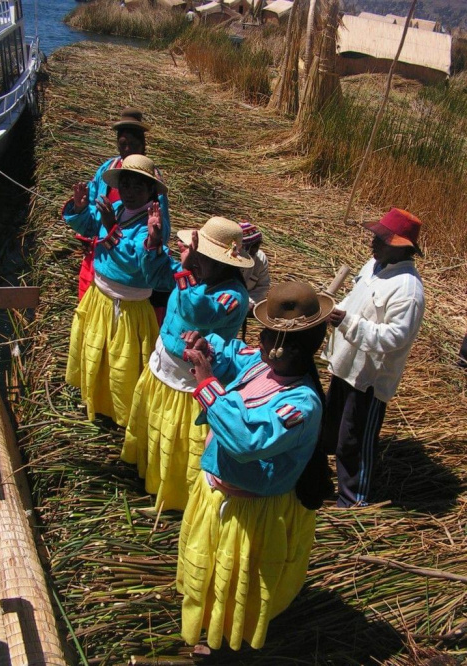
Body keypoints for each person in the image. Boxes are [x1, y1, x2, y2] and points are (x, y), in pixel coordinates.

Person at [177, 281, 335, 651]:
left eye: (265, 334)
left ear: (281, 348)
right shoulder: (264, 365)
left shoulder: (300, 405)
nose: (258, 339)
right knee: (209, 569)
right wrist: (208, 345)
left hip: (251, 514)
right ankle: (206, 620)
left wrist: (207, 384)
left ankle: (228, 639)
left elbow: (246, 441)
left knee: (237, 581)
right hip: (218, 494)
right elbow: (235, 352)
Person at [121, 217, 252, 511]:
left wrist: (187, 269)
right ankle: (148, 476)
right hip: (162, 370)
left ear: (222, 262)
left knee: (177, 447)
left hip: (189, 386)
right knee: (155, 429)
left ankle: (174, 499)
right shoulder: (195, 275)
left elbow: (198, 314)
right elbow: (156, 276)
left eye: (203, 255)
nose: (196, 259)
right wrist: (154, 244)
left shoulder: (233, 296)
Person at [321, 208, 425, 508]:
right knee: (333, 427)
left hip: (369, 378)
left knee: (354, 440)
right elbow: (355, 300)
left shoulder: (407, 290)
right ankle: (325, 477)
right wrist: (333, 309)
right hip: (346, 363)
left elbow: (394, 338)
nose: (373, 242)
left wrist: (346, 323)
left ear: (402, 246)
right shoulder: (374, 265)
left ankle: (355, 498)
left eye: (381, 238)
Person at [63, 154, 176, 428]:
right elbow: (91, 224)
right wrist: (79, 208)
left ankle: (122, 414)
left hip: (128, 309)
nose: (131, 192)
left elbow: (139, 263)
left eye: (139, 187)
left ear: (151, 191)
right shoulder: (115, 207)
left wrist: (114, 227)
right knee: (98, 353)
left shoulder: (151, 224)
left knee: (122, 363)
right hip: (100, 299)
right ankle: (97, 401)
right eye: (125, 186)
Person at [69, 108, 170, 319]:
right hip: (100, 257)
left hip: (127, 283)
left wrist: (113, 228)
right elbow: (93, 218)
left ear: (143, 146)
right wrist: (79, 209)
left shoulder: (151, 180)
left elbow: (154, 238)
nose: (127, 150)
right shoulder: (108, 168)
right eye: (123, 144)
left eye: (133, 145)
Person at [239, 220, 271, 340]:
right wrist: (241, 301)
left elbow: (263, 286)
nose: (256, 250)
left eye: (258, 246)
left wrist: (250, 302)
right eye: (254, 247)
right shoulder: (230, 259)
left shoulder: (260, 259)